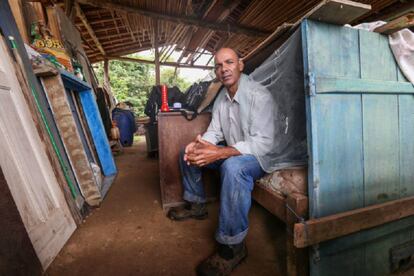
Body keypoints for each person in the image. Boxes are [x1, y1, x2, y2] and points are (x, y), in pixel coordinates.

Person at [167, 48, 275, 275]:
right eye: (218, 65)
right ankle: (196, 205)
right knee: (187, 154)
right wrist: (200, 146)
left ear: (240, 65)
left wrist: (220, 153)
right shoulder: (221, 99)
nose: (224, 69)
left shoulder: (259, 95)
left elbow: (264, 144)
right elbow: (214, 132)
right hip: (232, 152)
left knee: (233, 167)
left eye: (229, 62)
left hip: (258, 157)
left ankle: (233, 246)